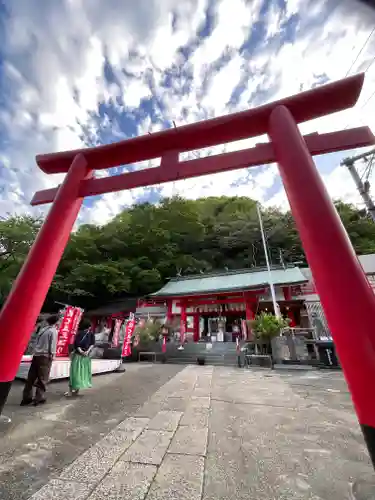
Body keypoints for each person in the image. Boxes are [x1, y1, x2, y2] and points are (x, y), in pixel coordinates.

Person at [20, 314, 59, 406]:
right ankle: (39, 398)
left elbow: (35, 342)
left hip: (37, 355)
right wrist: (52, 355)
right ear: (56, 322)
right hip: (45, 356)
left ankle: (26, 397)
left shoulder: (43, 330)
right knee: (43, 378)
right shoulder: (53, 331)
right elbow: (52, 345)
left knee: (31, 377)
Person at [65, 319, 95, 397]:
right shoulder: (91, 334)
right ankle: (77, 391)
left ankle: (70, 391)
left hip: (78, 356)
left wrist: (81, 351)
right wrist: (87, 352)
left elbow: (76, 344)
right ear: (89, 327)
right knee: (82, 374)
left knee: (74, 373)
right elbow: (92, 344)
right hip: (86, 358)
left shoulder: (79, 334)